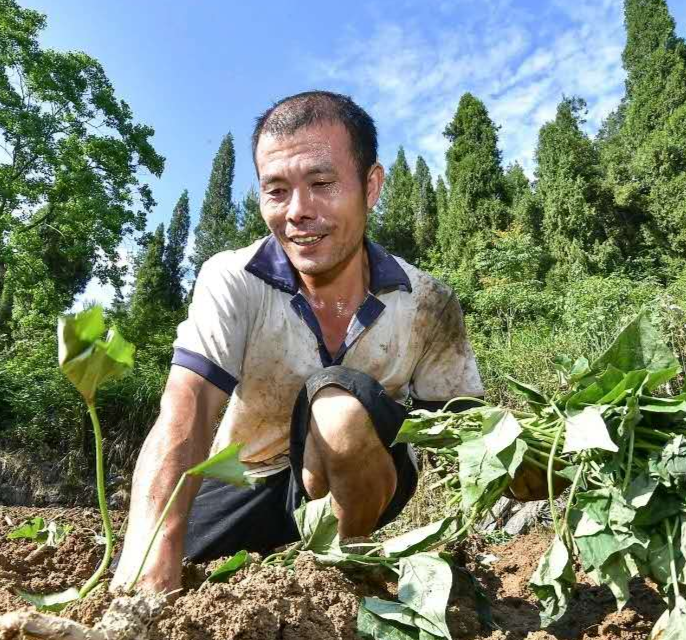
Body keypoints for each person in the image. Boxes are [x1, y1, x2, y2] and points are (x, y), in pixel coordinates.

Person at [111, 91, 485, 594]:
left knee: (339, 404)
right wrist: (153, 553)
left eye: (322, 183)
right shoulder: (235, 278)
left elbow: (464, 429)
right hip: (248, 478)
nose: (298, 212)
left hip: (370, 481)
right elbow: (188, 406)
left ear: (370, 187)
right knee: (166, 560)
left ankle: (342, 575)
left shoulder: (428, 302)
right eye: (277, 190)